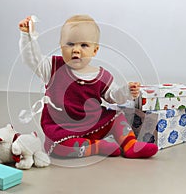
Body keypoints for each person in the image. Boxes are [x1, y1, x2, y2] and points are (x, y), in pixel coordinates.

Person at [18, 15, 158, 158]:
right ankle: (96, 147)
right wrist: (27, 36)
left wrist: (127, 91)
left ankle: (130, 144)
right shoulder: (52, 68)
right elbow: (31, 59)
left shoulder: (101, 76)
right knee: (55, 147)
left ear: (94, 50)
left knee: (117, 118)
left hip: (94, 122)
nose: (76, 50)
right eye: (70, 44)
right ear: (61, 46)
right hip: (62, 127)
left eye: (84, 45)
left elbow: (113, 96)